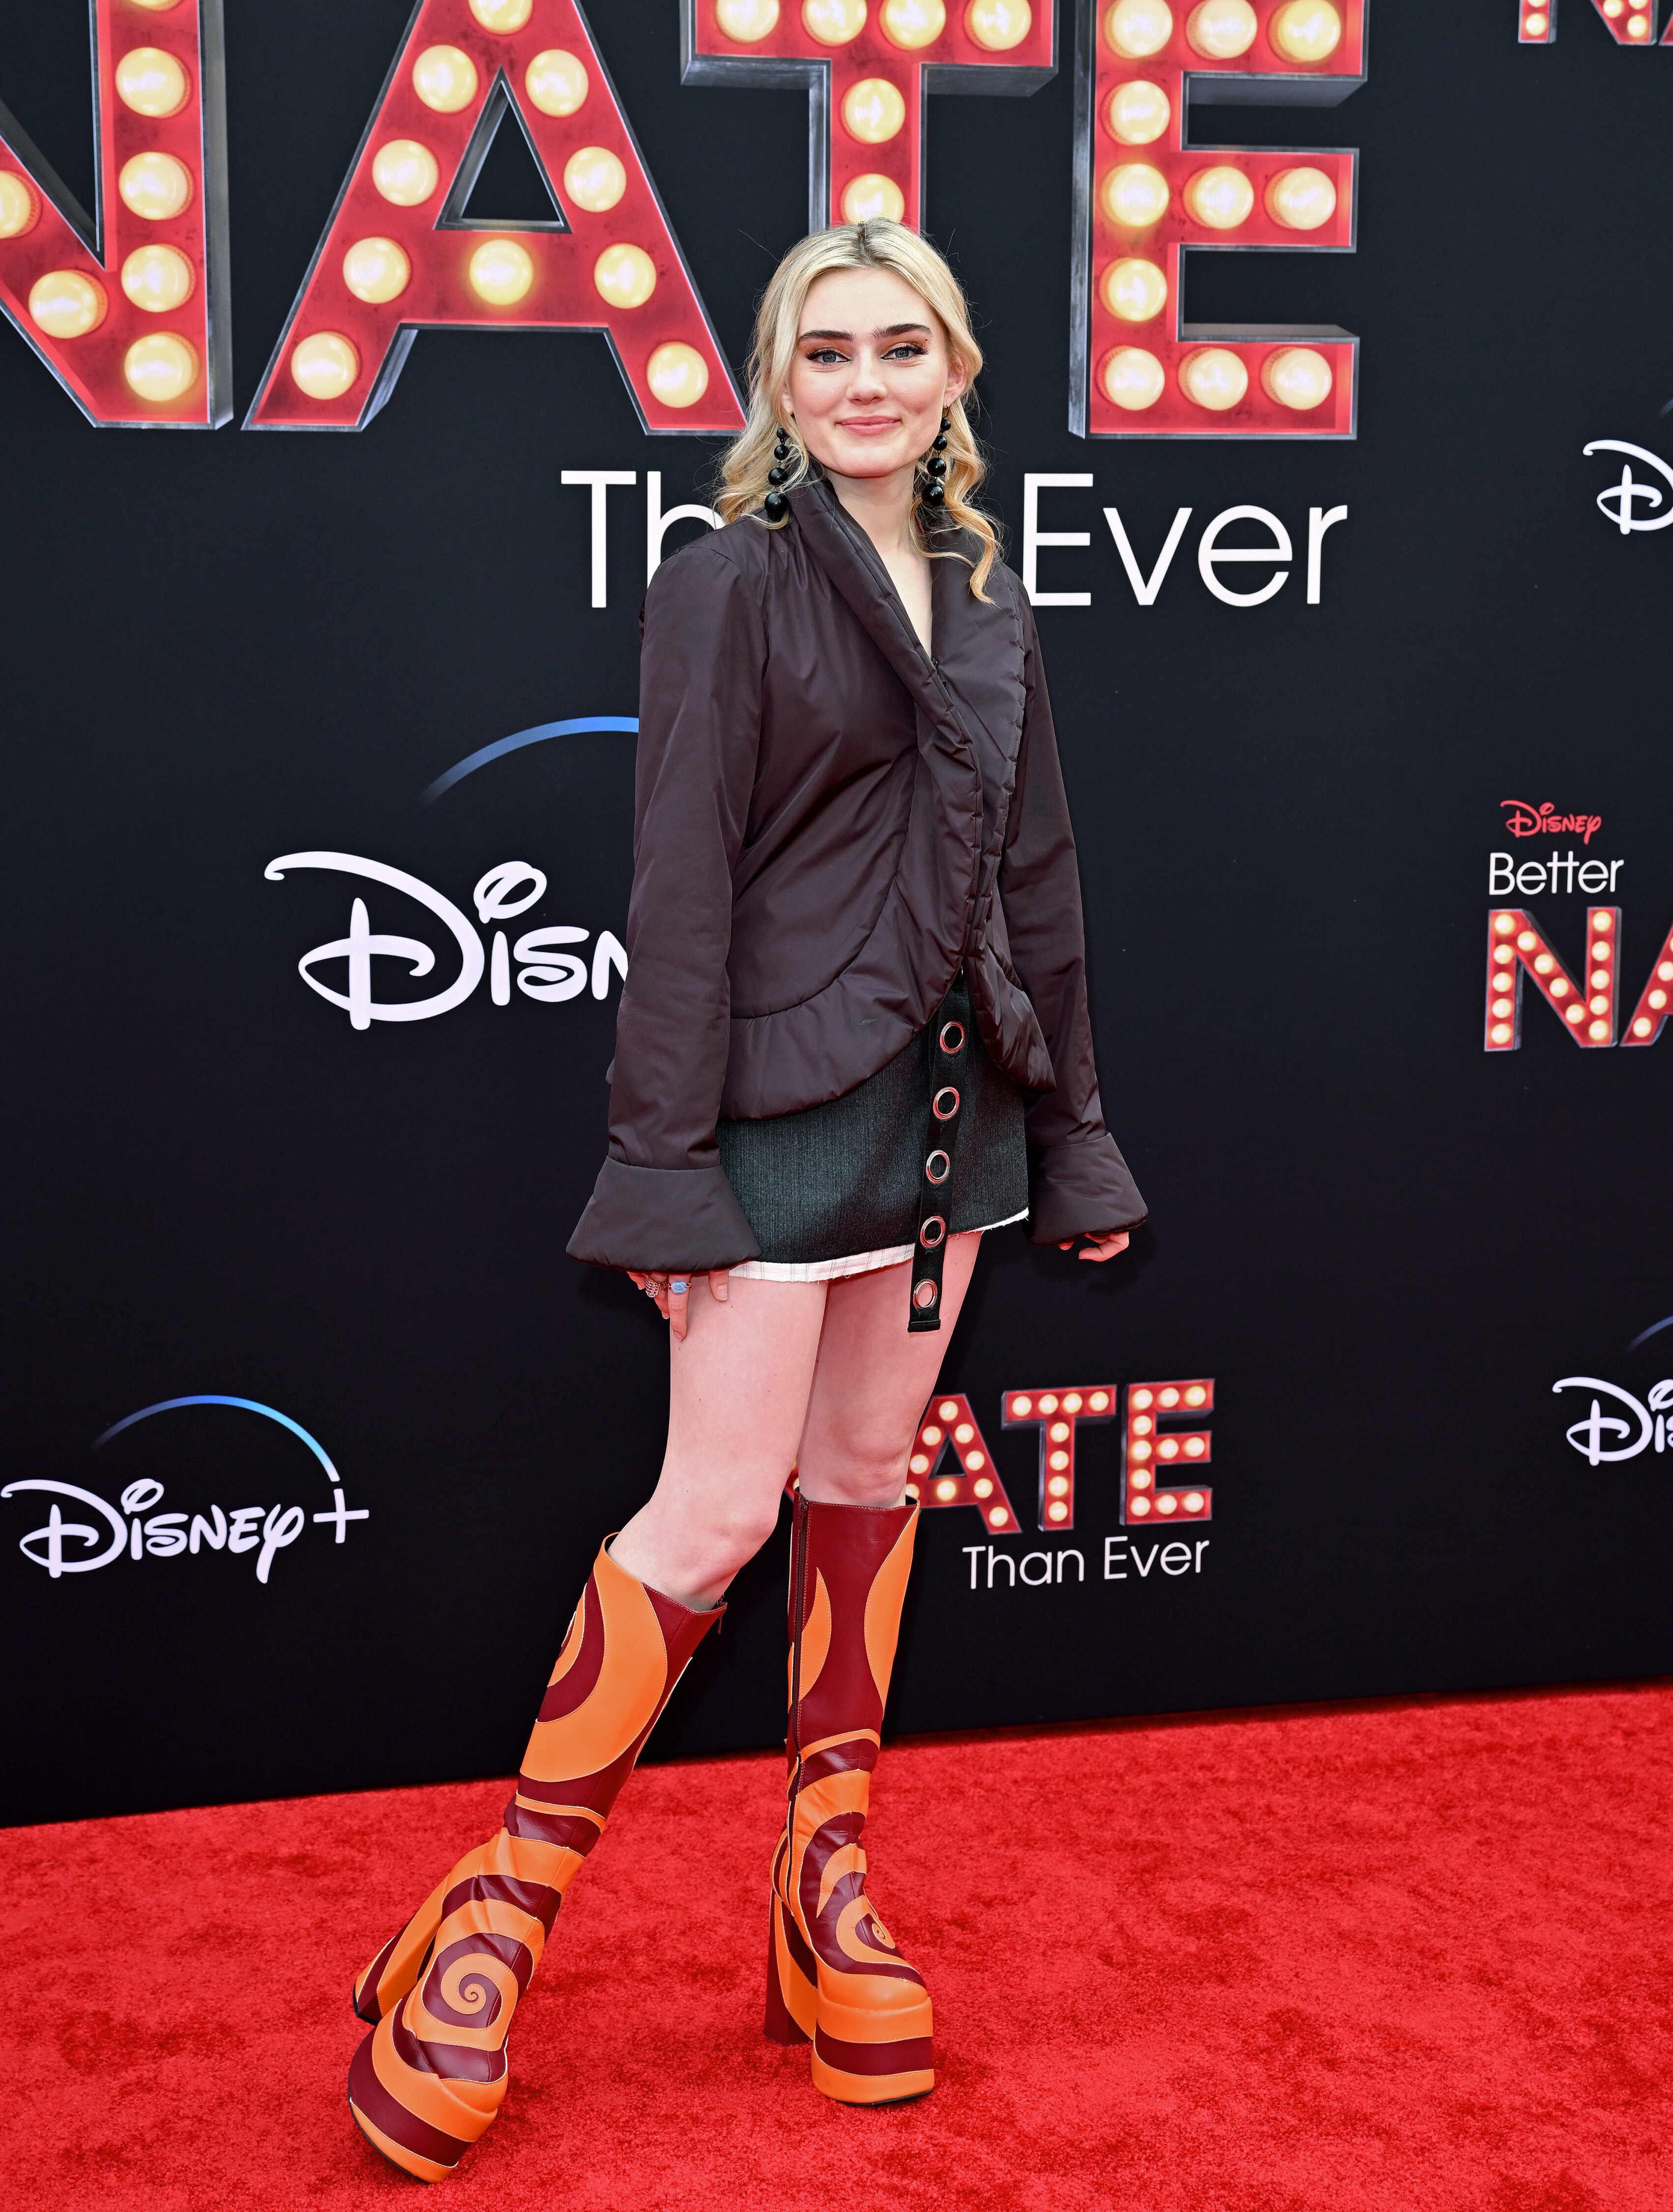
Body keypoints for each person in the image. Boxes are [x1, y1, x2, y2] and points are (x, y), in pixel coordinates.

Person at [346, 219, 1145, 2182]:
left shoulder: (988, 595)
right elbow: (678, 883)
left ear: (955, 373)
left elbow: (1038, 877)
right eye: (827, 351)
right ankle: (501, 1913)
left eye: (900, 348)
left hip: (954, 1111)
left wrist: (1075, 1136)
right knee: (709, 1513)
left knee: (862, 1479)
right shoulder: (724, 581)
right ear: (780, 382)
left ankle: (822, 1884)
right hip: (776, 1112)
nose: (865, 383)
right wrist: (659, 1174)